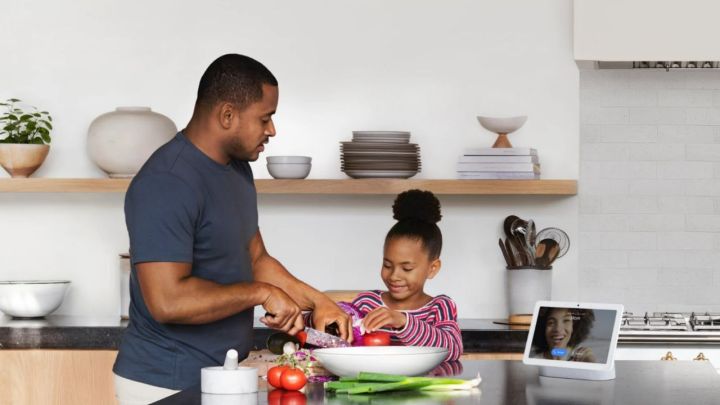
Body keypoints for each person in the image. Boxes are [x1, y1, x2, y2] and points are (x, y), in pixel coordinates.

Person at [112, 54, 351, 404]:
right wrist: (260, 293)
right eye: (265, 118)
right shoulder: (167, 182)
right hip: (165, 382)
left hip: (225, 376)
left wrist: (320, 303)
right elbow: (168, 301)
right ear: (227, 115)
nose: (272, 130)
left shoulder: (237, 170)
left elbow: (256, 258)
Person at [350, 189, 463, 361]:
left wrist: (403, 322)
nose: (394, 276)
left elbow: (453, 349)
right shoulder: (367, 303)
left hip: (421, 386)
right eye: (387, 265)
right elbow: (343, 342)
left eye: (407, 268)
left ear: (432, 268)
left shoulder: (439, 307)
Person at [530, 307, 597, 362]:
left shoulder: (581, 357)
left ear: (574, 326)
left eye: (566, 320)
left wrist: (591, 362)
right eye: (551, 322)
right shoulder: (534, 361)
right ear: (542, 328)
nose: (558, 329)